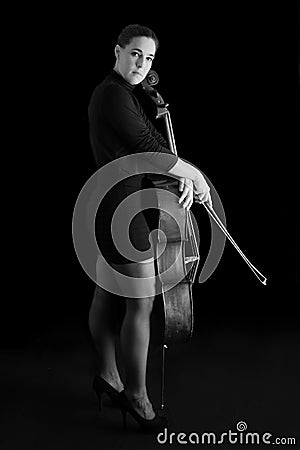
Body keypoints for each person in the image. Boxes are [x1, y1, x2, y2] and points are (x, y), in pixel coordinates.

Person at [88, 24, 212, 433]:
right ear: (118, 51)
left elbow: (148, 148)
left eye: (150, 58)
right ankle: (138, 399)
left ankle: (108, 376)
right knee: (139, 304)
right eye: (136, 54)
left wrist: (178, 175)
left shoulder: (125, 94)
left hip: (112, 202)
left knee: (107, 293)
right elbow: (146, 143)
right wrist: (195, 177)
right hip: (123, 206)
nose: (142, 64)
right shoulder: (112, 94)